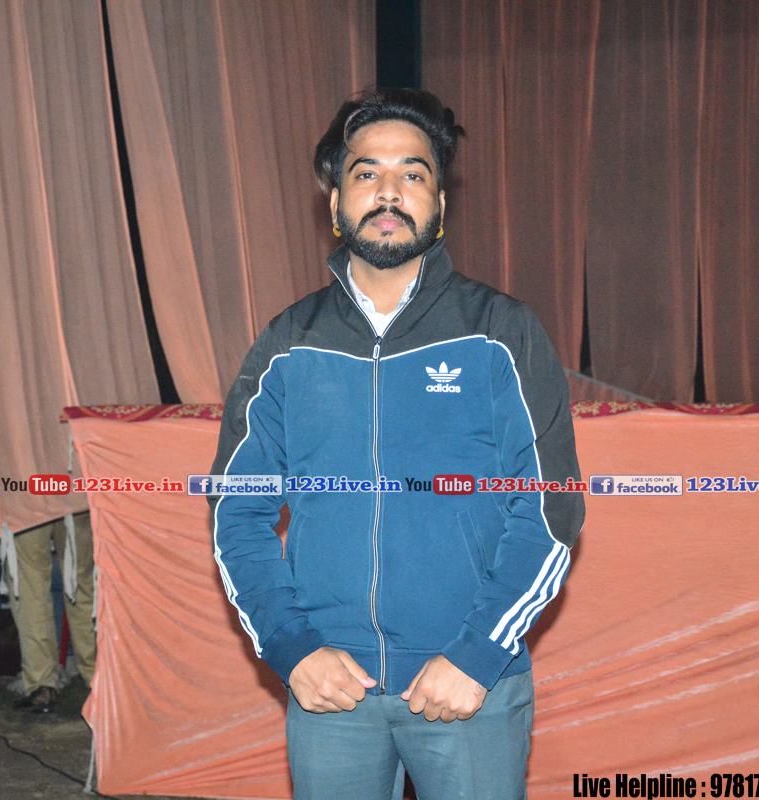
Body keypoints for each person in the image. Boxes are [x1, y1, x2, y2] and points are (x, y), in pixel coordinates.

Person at [210, 88, 584, 800]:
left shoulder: (500, 333)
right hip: (331, 691)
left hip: (467, 687)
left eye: (413, 173)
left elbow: (551, 509)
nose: (389, 192)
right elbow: (238, 511)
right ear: (335, 204)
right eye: (366, 173)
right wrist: (292, 649)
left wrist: (477, 654)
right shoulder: (287, 345)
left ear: (439, 204)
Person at [10, 511, 96, 713]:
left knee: (31, 586)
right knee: (81, 582)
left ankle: (42, 685)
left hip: (27, 496)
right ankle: (98, 675)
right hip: (74, 495)